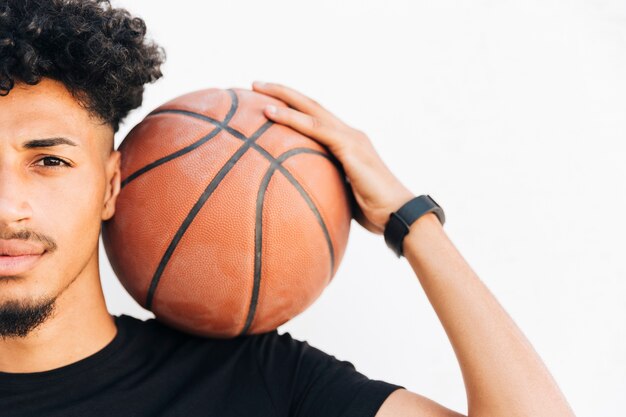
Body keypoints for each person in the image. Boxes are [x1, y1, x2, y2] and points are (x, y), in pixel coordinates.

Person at [0, 1, 576, 416]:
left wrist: (411, 218)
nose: (7, 208)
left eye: (48, 161)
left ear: (109, 186)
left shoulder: (253, 381)